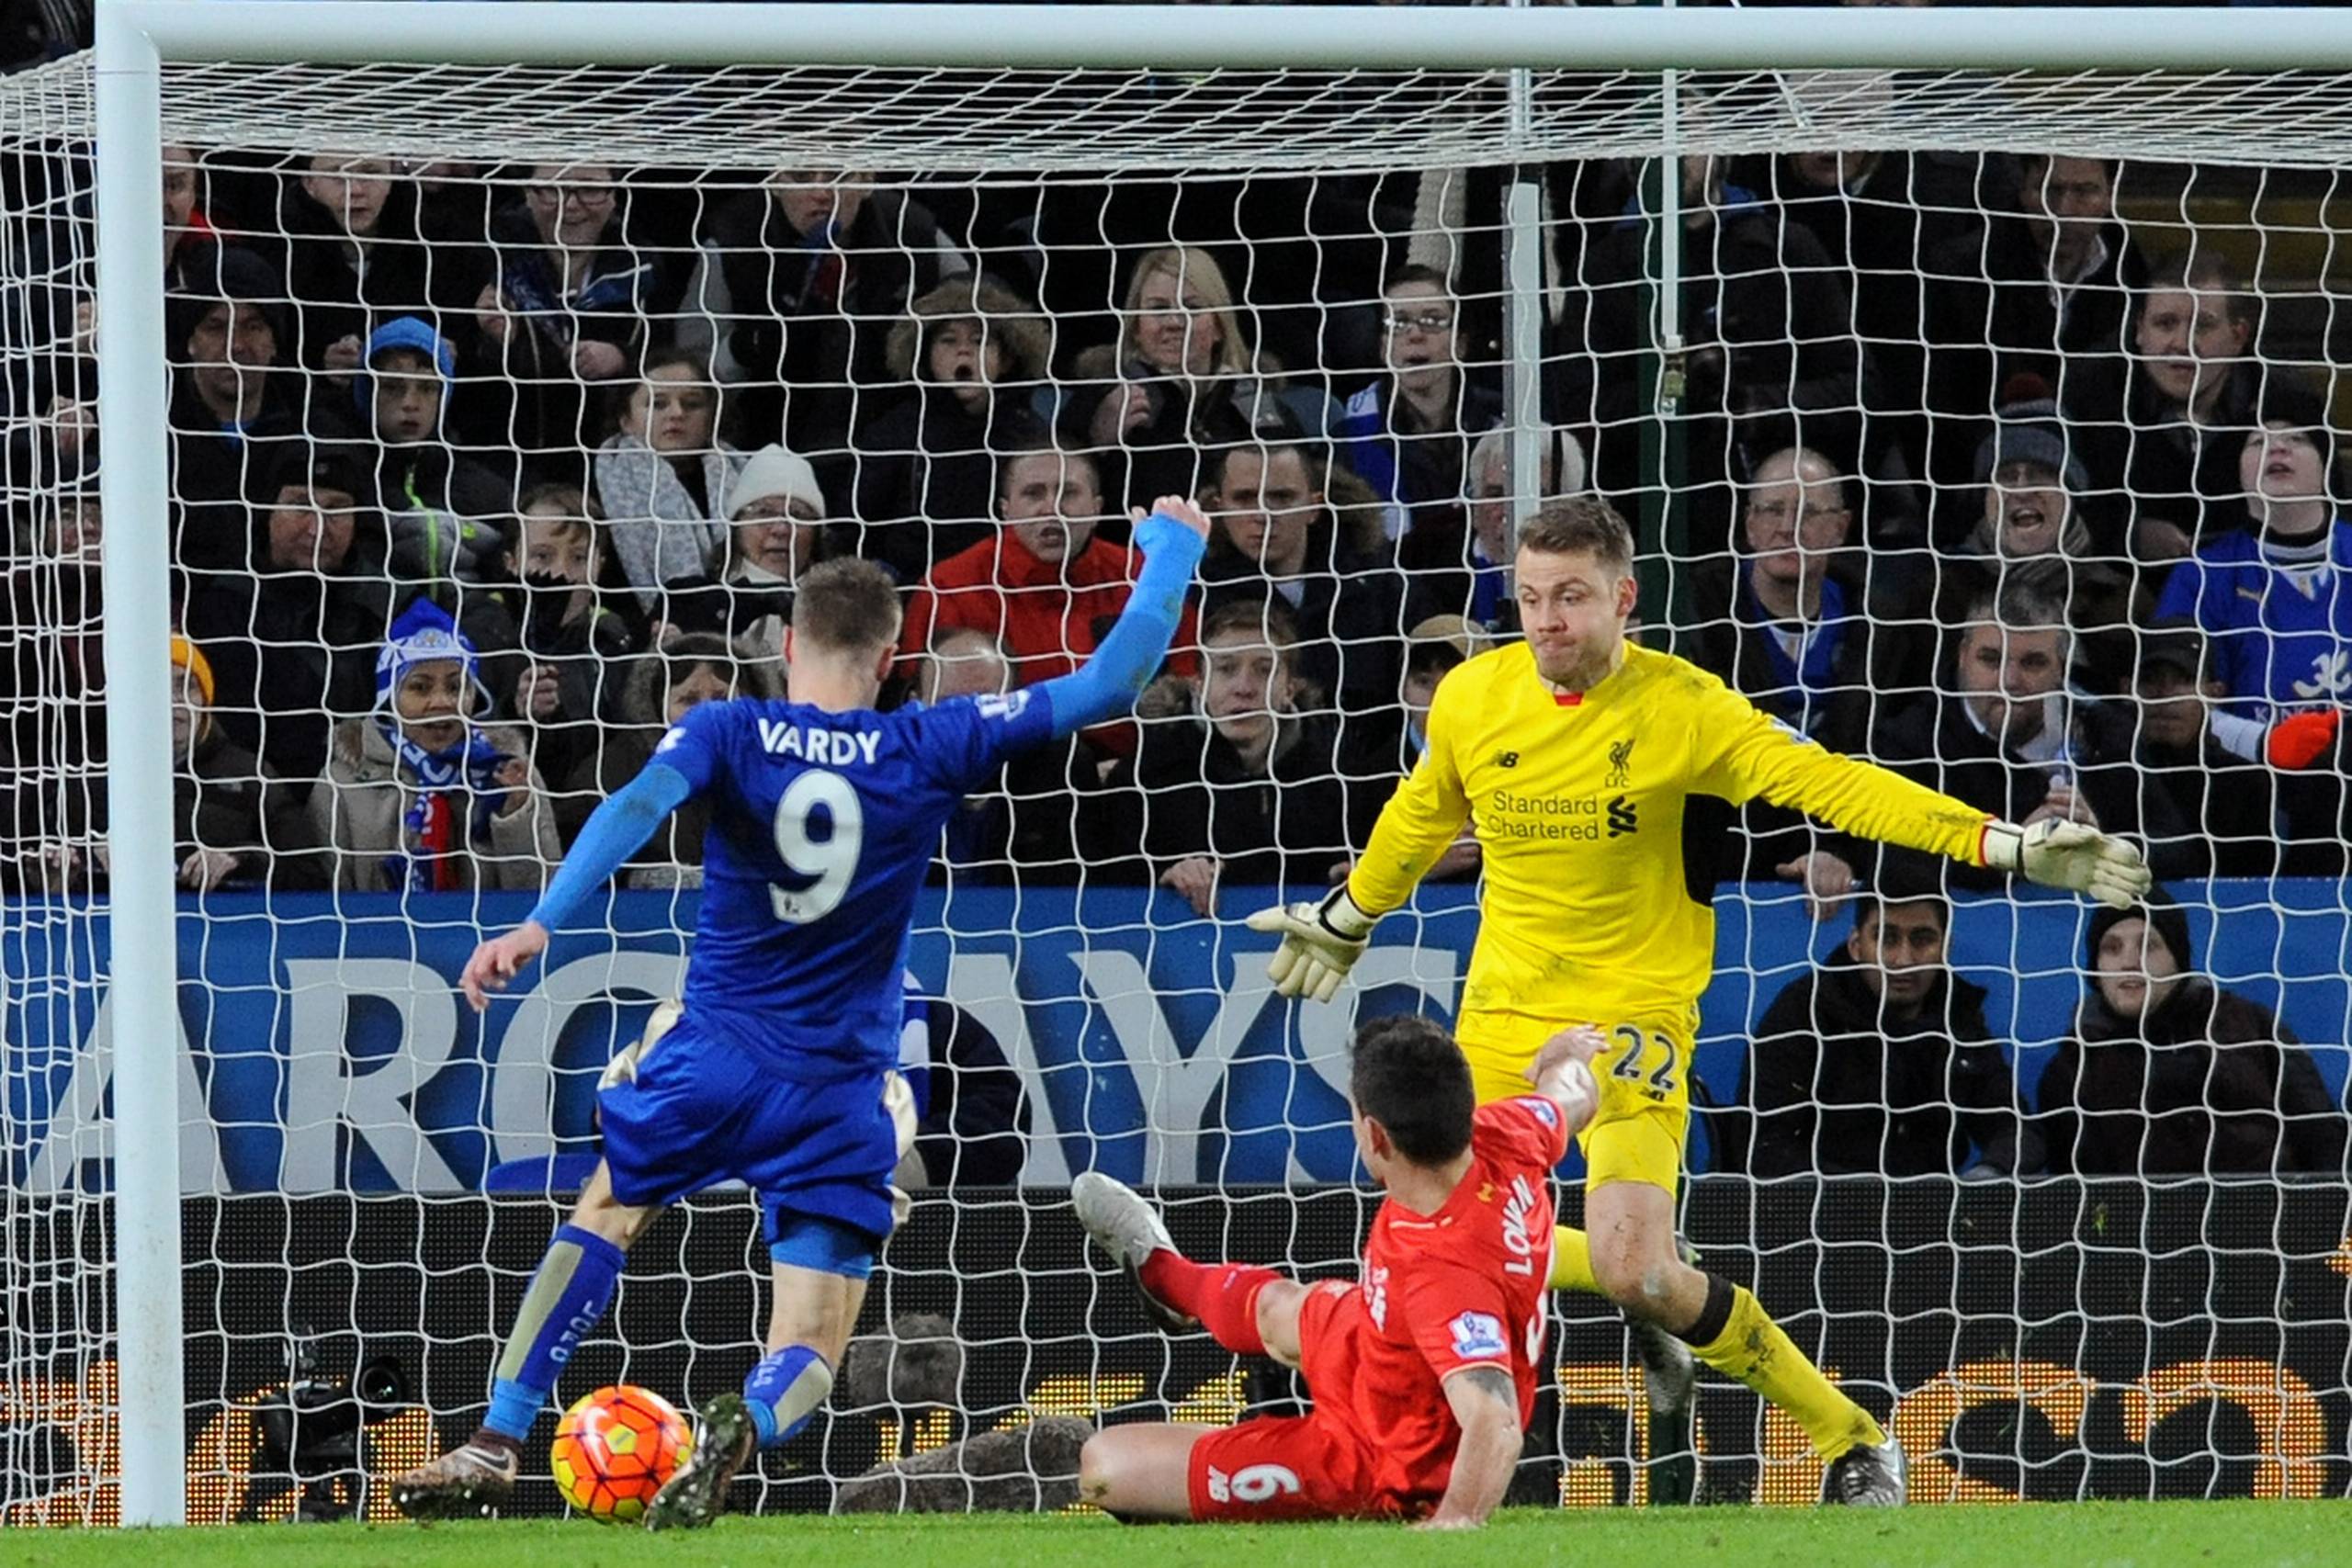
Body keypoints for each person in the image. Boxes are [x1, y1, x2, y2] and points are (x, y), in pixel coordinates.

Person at [1246, 495, 2152, 1506]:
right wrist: (1348, 915)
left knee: (1638, 1272)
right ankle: (1418, 1462)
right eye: (1531, 597)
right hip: (1503, 1010)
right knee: (1444, 1236)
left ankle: (1852, 1437)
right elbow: (1424, 810)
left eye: (1572, 598)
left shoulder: (1687, 709)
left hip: (1635, 1013)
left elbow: (1838, 787)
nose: (1546, 620)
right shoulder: (1471, 696)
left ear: (1623, 598)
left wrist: (2004, 842)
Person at [388, 495, 1209, 1527]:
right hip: (839, 1088)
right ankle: (740, 1423)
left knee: (605, 1209)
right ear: (892, 650)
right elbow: (1109, 682)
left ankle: (495, 1439)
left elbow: (635, 806)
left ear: (784, 642)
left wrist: (541, 922)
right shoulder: (931, 741)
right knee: (814, 1336)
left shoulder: (728, 726)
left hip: (712, 1052)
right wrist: (1171, 551)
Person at [1067, 1013, 1601, 1528]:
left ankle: (1254, 1449)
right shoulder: (1505, 1135)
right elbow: (1571, 1096)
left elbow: (1495, 1421)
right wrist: (1567, 1056)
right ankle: (1166, 1279)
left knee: (1105, 1468)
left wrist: (1455, 1520)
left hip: (1382, 1455)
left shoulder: (1446, 1278)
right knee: (1279, 1308)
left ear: (1375, 1136)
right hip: (1378, 1340)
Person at [1872, 567, 2192, 886]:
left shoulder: (2107, 732)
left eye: (2033, 663)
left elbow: (2179, 847)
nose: (2009, 682)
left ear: (2061, 669)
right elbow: (1894, 859)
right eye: (1991, 659)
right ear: (1962, 656)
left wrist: (2106, 847)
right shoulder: (1912, 743)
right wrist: (2012, 852)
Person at [1735, 852, 2036, 1179]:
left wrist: (1987, 1174)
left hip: (1929, 1215)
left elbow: (2018, 1130)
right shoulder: (1802, 1012)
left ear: (1945, 949)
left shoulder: (1959, 1017)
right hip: (1815, 1216)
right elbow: (1762, 1144)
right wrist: (1860, 1202)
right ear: (1856, 945)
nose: (1903, 960)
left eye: (1922, 940)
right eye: (1887, 938)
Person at [2038, 897, 2346, 1179]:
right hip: (2136, 1232)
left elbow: (2321, 1135)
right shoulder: (2071, 1068)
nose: (2129, 962)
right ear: (2096, 967)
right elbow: (2074, 1193)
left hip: (2268, 1223)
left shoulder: (2250, 1026)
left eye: (2149, 946)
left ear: (2178, 959)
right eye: (2112, 948)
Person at [898, 438, 1200, 693]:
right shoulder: (950, 587)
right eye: (1033, 493)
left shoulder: (1146, 577)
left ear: (1097, 508)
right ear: (1006, 510)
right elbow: (920, 702)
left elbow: (1188, 682)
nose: (1052, 508)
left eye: (1068, 493)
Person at [1110, 597, 1351, 915]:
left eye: (1264, 670)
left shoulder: (1340, 773)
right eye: (1226, 669)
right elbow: (1104, 886)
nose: (1244, 688)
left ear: (1289, 689)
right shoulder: (1144, 776)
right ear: (1198, 686)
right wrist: (1165, 876)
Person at [306, 600, 559, 893]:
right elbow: (325, 906)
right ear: (389, 698)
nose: (442, 702)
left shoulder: (512, 773)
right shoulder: (339, 786)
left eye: (455, 687)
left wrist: (516, 817)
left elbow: (547, 898)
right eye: (420, 687)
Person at [854, 274, 1053, 582]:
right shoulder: (898, 429)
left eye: (980, 340)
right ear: (926, 354)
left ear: (1007, 359)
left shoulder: (1028, 434)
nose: (964, 352)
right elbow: (861, 517)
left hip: (1001, 589)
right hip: (913, 589)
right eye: (949, 340)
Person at [1200, 434, 1402, 716]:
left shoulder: (1378, 581)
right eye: (1245, 498)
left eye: (1281, 497)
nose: (1263, 514)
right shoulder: (1192, 593)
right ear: (1218, 508)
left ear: (1315, 507)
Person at [1335, 265, 1499, 545]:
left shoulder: (1503, 423)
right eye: (1398, 323)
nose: (1414, 334)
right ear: (1382, 346)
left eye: (1432, 321)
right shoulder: (1347, 439)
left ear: (1460, 344)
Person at [594, 346, 746, 615]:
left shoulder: (749, 482)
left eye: (692, 403)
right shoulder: (596, 493)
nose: (676, 413)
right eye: (658, 403)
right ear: (626, 420)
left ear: (713, 417)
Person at [659, 444, 831, 653]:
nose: (780, 529)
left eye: (797, 515)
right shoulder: (684, 600)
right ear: (737, 526)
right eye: (763, 513)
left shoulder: (847, 607)